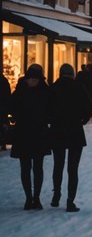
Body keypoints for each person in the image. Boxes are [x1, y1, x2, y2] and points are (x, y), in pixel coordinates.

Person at [48, 63, 92, 211]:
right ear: (72, 74)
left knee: (58, 165)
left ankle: (56, 194)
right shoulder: (79, 88)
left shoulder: (53, 88)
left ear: (60, 73)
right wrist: (81, 120)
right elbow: (87, 110)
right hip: (74, 130)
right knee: (73, 168)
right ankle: (70, 200)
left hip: (57, 130)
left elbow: (47, 110)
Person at [9, 64, 51, 210]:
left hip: (26, 132)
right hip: (33, 132)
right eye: (30, 79)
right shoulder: (44, 90)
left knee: (32, 167)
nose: (32, 81)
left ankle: (34, 197)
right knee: (30, 167)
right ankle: (30, 198)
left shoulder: (21, 90)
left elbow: (12, 107)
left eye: (34, 79)